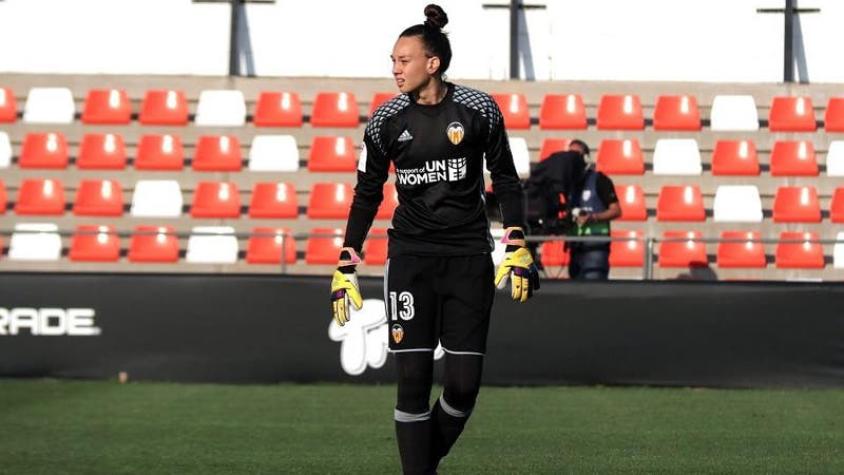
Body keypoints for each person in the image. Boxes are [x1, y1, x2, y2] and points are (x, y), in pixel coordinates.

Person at [329, 5, 540, 474]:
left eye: (404, 60)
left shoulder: (479, 109)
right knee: (413, 380)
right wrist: (347, 259)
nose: (394, 69)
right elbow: (367, 191)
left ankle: (422, 465)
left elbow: (505, 178)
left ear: (433, 63)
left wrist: (517, 239)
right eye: (392, 60)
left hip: (468, 257)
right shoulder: (385, 119)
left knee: (463, 385)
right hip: (411, 259)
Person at [564, 141, 621, 280]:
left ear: (586, 158)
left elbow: (616, 210)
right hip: (575, 245)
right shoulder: (567, 184)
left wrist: (593, 218)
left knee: (593, 287)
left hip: (596, 244)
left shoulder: (600, 180)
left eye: (576, 155)